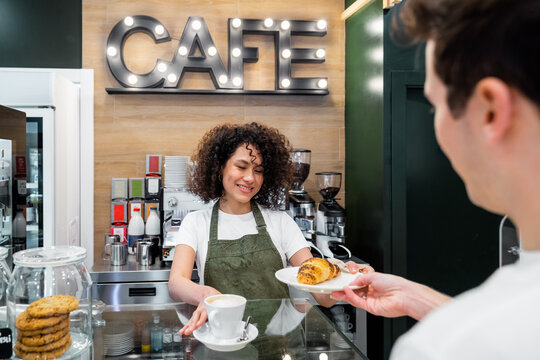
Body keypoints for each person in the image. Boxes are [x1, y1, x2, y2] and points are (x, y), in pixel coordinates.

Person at [331, 0, 540, 358]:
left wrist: (448, 331)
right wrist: (419, 298)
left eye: (435, 105)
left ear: (490, 110)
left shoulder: (436, 348)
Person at [168, 122, 370, 337]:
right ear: (220, 167)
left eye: (258, 171)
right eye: (241, 166)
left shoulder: (279, 221)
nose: (250, 178)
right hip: (222, 340)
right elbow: (176, 283)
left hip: (277, 344)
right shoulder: (196, 222)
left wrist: (350, 282)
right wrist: (205, 294)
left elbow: (321, 294)